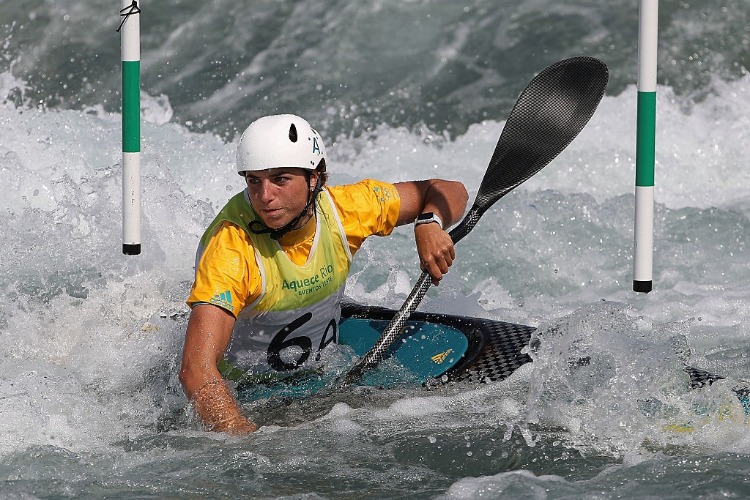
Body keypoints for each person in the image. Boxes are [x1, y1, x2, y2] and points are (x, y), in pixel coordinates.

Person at [179, 114, 468, 434]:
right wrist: (239, 434)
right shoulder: (231, 249)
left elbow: (448, 190)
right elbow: (196, 369)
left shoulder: (347, 210)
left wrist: (429, 222)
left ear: (314, 177)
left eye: (280, 179)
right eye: (254, 180)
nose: (265, 196)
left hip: (323, 373)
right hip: (246, 395)